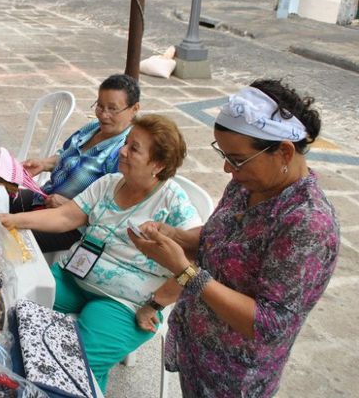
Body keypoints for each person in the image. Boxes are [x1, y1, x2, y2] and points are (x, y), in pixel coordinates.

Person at [128, 80, 339, 398]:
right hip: (198, 352)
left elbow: (270, 324)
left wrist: (186, 271)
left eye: (237, 159)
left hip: (235, 377)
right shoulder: (248, 183)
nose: (228, 168)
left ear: (283, 151)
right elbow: (222, 238)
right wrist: (176, 237)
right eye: (225, 155)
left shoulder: (307, 224)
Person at [0, 114, 201, 392]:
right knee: (12, 309)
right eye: (126, 143)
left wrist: (155, 305)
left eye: (134, 148)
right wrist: (11, 220)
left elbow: (193, 262)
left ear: (159, 164)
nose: (122, 150)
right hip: (74, 276)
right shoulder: (109, 183)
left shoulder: (173, 202)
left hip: (124, 301)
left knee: (79, 363)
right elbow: (66, 217)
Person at [16, 74, 140, 252]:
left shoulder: (122, 152)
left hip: (72, 226)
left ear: (134, 108)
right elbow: (66, 154)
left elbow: (111, 212)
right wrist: (44, 164)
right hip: (44, 196)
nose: (103, 115)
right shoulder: (92, 128)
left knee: (12, 239)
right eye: (100, 106)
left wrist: (71, 206)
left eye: (113, 109)